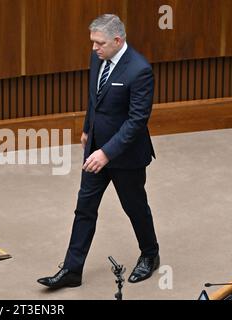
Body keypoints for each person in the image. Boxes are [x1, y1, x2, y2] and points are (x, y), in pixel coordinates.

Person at [37, 14, 160, 289]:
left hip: (124, 156)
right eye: (93, 42)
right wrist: (87, 130)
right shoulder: (99, 58)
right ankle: (71, 269)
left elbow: (136, 121)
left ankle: (150, 254)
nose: (94, 48)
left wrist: (107, 153)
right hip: (95, 150)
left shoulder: (139, 70)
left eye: (99, 43)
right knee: (85, 208)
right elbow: (95, 99)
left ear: (118, 40)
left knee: (135, 207)